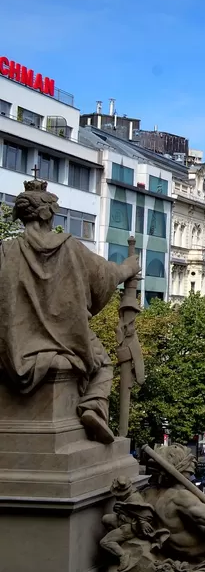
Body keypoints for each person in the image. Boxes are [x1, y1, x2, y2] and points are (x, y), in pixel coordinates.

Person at [0, 180, 141, 445]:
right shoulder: (70, 247)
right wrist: (129, 268)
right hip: (66, 341)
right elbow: (105, 276)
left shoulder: (6, 251)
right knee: (103, 364)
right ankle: (92, 407)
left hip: (14, 346)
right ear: (47, 214)